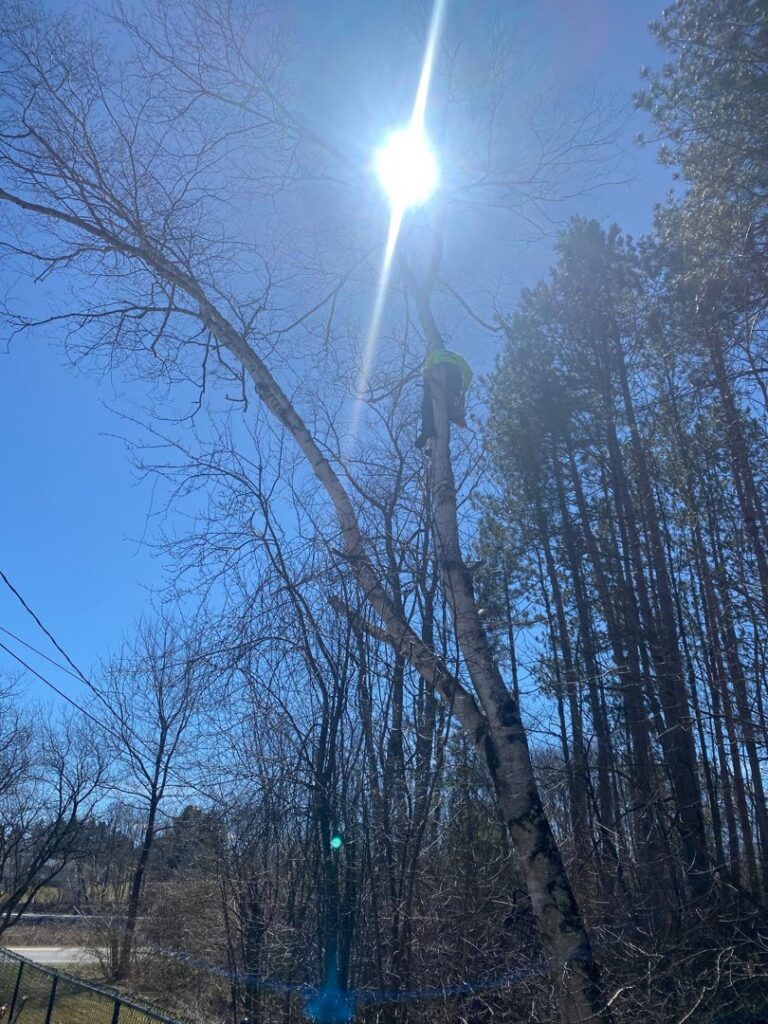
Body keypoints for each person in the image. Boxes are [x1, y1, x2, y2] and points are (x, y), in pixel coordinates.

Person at [415, 348, 473, 448]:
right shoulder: (457, 356)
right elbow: (469, 373)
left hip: (436, 377)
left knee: (428, 405)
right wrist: (463, 389)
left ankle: (428, 430)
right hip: (454, 378)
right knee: (446, 406)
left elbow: (425, 370)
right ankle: (454, 417)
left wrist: (426, 380)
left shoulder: (434, 353)